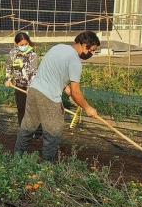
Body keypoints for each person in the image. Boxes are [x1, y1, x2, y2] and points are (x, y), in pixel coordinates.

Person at [14, 30, 101, 162]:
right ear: (84, 46)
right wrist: (88, 108)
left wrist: (66, 89)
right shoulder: (75, 61)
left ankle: (17, 159)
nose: (92, 54)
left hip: (34, 91)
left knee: (27, 127)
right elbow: (76, 92)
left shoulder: (58, 48)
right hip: (48, 97)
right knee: (53, 133)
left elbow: (53, 72)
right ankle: (47, 168)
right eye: (92, 50)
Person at [4, 31, 39, 125]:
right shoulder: (13, 54)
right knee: (21, 109)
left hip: (31, 86)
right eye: (21, 44)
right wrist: (8, 79)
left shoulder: (33, 55)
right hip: (18, 86)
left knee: (32, 110)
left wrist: (30, 88)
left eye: (26, 44)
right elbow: (8, 67)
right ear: (16, 44)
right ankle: (22, 130)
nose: (24, 46)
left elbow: (34, 73)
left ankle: (33, 130)